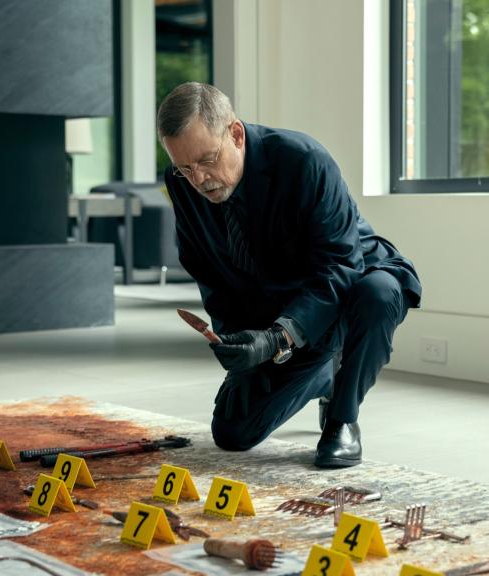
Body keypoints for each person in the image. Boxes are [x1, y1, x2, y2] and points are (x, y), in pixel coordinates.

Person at [158, 82, 421, 468]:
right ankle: (324, 376)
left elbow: (339, 266)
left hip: (352, 281)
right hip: (279, 304)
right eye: (185, 168)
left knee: (378, 294)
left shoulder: (304, 160)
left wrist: (277, 338)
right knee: (233, 433)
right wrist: (237, 341)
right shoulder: (182, 184)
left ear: (235, 134)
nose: (199, 179)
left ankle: (342, 419)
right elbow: (206, 266)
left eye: (207, 160)